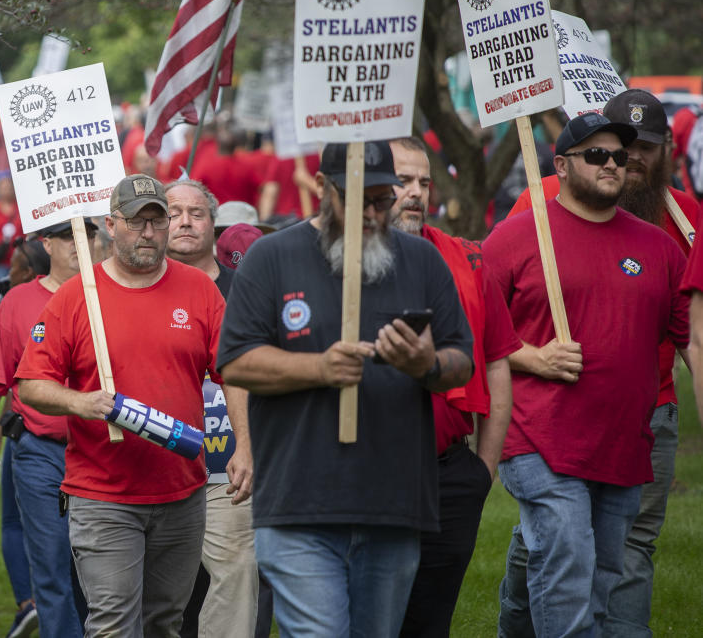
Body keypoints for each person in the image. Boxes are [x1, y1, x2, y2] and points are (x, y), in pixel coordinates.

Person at [216, 140, 475, 638]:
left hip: (394, 504)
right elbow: (237, 362)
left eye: (383, 199)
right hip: (298, 504)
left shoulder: (421, 261)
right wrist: (320, 369)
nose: (374, 214)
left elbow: (461, 360)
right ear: (322, 189)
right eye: (359, 200)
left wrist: (426, 364)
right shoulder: (271, 258)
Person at [484, 113, 689, 636]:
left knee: (599, 584)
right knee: (568, 564)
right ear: (560, 165)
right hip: (540, 437)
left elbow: (693, 338)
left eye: (620, 156)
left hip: (622, 444)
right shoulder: (514, 239)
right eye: (596, 155)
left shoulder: (658, 247)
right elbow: (471, 334)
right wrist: (535, 358)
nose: (612, 164)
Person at [17, 174, 228, 637]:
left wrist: (247, 447)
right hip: (103, 495)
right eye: (136, 223)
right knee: (113, 624)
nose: (149, 232)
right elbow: (30, 384)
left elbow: (236, 375)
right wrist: (81, 401)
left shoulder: (199, 290)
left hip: (182, 491)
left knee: (164, 624)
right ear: (111, 226)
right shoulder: (77, 297)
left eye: (158, 220)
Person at [387, 136, 519, 638]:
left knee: (428, 621)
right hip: (366, 470)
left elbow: (498, 362)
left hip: (449, 475)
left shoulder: (469, 261)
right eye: (403, 180)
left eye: (424, 181)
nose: (416, 192)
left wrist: (482, 469)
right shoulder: (337, 262)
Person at [0, 220, 98, 638]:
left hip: (103, 450)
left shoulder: (110, 294)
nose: (80, 244)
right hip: (38, 450)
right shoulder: (18, 302)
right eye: (68, 236)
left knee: (99, 566)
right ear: (46, 243)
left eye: (86, 235)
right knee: (51, 565)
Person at [163, 179, 262, 638]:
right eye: (174, 212)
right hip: (157, 471)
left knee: (237, 575)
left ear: (213, 223)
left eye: (196, 213)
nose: (185, 221)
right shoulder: (136, 289)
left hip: (230, 474)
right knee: (162, 599)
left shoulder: (249, 289)